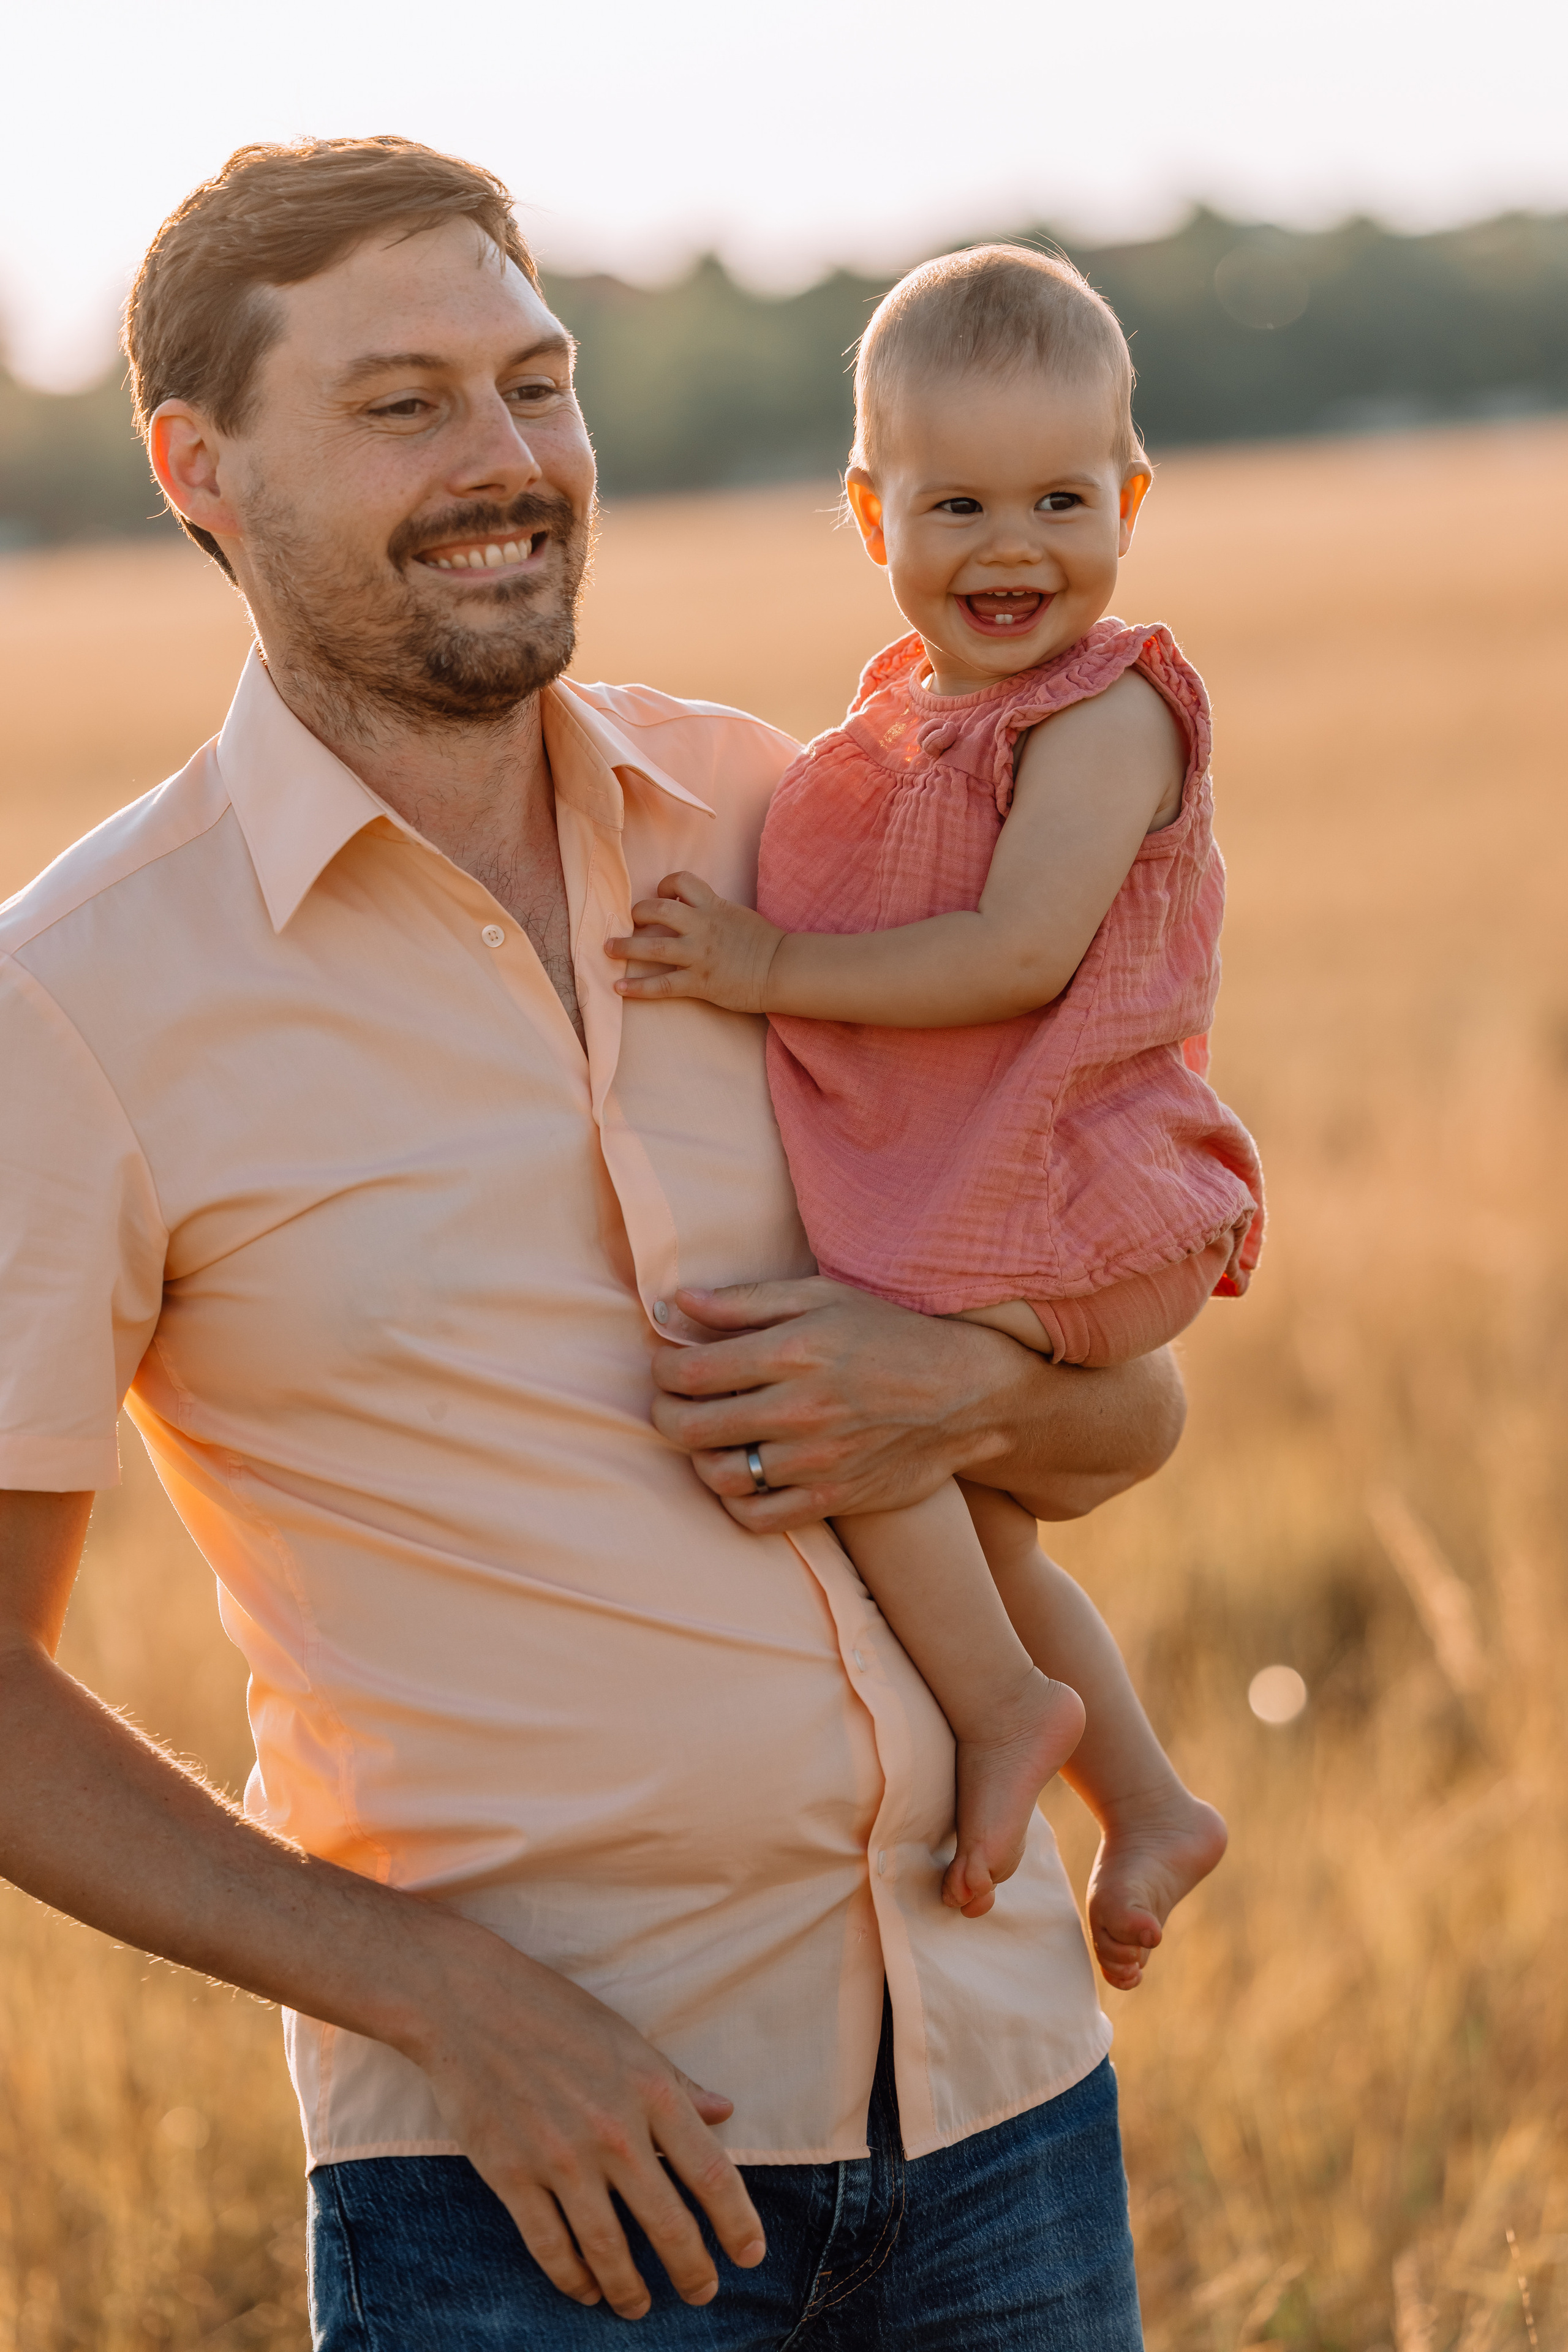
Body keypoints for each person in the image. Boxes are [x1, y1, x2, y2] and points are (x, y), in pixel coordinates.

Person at [0, 142, 1185, 2348]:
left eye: (538, 386)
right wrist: (436, 1995)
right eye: (404, 404)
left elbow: (1129, 1400)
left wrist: (981, 1391)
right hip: (540, 2199)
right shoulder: (76, 1002)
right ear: (200, 470)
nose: (509, 463)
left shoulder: (793, 822)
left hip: (1005, 2107)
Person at [609, 247, 1259, 1945]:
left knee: (835, 1392)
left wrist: (759, 971)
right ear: (868, 512)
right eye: (955, 504)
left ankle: (994, 1715)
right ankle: (1152, 1804)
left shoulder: (1108, 713)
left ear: (1129, 498)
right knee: (968, 1509)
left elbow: (1016, 956)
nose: (1012, 547)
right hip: (1006, 1182)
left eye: (1061, 498)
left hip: (1078, 1191)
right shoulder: (908, 722)